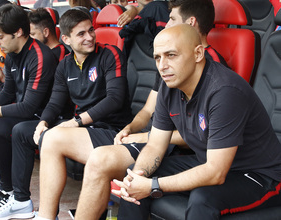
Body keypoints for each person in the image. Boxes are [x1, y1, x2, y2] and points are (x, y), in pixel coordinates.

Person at [73, 0, 229, 219]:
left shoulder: (216, 77)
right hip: (160, 141)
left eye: (172, 19)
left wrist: (143, 139)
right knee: (136, 176)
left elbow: (201, 138)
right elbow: (148, 113)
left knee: (104, 162)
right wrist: (131, 129)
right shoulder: (170, 71)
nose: (165, 25)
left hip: (198, 153)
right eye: (158, 58)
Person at [113, 23, 281, 219]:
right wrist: (139, 177)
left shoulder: (224, 91)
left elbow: (215, 173)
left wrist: (153, 186)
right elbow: (155, 146)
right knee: (136, 175)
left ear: (198, 54)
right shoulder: (169, 86)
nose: (162, 66)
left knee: (203, 199)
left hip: (260, 175)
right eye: (158, 58)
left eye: (171, 55)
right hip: (209, 161)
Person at [0, 7, 132, 220]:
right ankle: (21, 200)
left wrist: (75, 122)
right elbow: (55, 103)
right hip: (83, 128)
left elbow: (114, 99)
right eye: (81, 34)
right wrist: (43, 122)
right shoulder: (65, 65)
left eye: (91, 30)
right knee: (22, 131)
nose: (90, 37)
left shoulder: (110, 54)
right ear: (66, 39)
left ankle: (47, 216)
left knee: (52, 138)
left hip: (112, 129)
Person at [0, 3, 58, 217]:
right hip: (28, 113)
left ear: (18, 32)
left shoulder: (40, 56)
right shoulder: (13, 53)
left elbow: (29, 107)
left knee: (7, 126)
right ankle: (6, 190)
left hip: (48, 117)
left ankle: (21, 199)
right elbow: (8, 93)